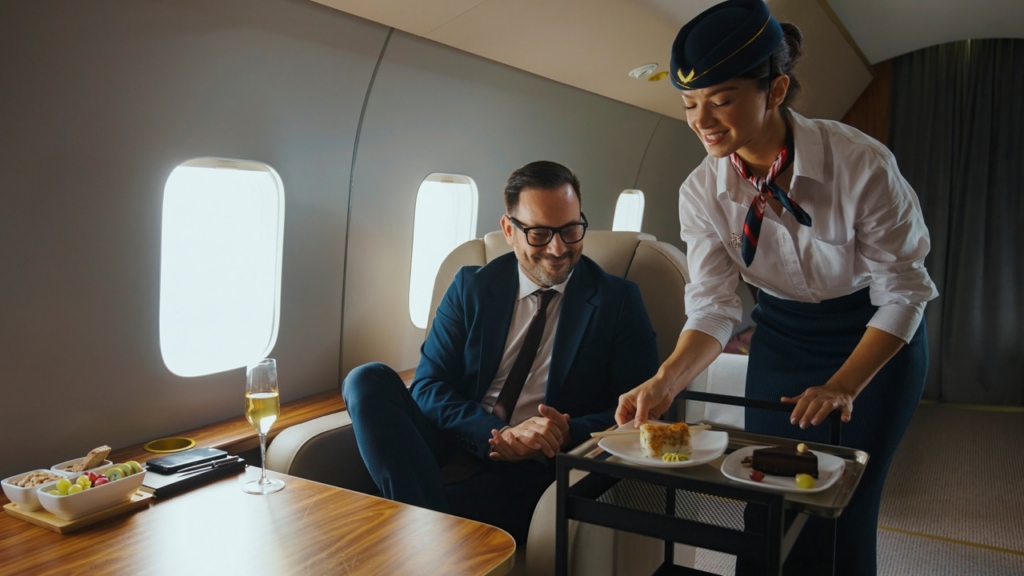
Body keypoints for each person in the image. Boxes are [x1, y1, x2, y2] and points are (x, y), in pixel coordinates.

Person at [614, 1, 938, 574]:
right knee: (764, 500)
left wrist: (842, 385)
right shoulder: (702, 192)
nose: (702, 120)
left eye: (723, 99)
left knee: (839, 507)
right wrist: (665, 381)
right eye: (690, 103)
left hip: (873, 344)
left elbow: (904, 291)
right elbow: (714, 308)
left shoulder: (860, 165)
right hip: (782, 341)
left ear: (777, 89)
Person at [343, 160, 659, 545]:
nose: (558, 249)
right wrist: (497, 433)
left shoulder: (618, 301)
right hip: (457, 438)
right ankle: (430, 532)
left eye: (571, 230)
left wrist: (561, 432)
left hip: (535, 464)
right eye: (540, 234)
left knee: (466, 504)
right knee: (365, 379)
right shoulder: (470, 287)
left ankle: (417, 529)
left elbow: (640, 410)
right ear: (510, 230)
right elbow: (428, 387)